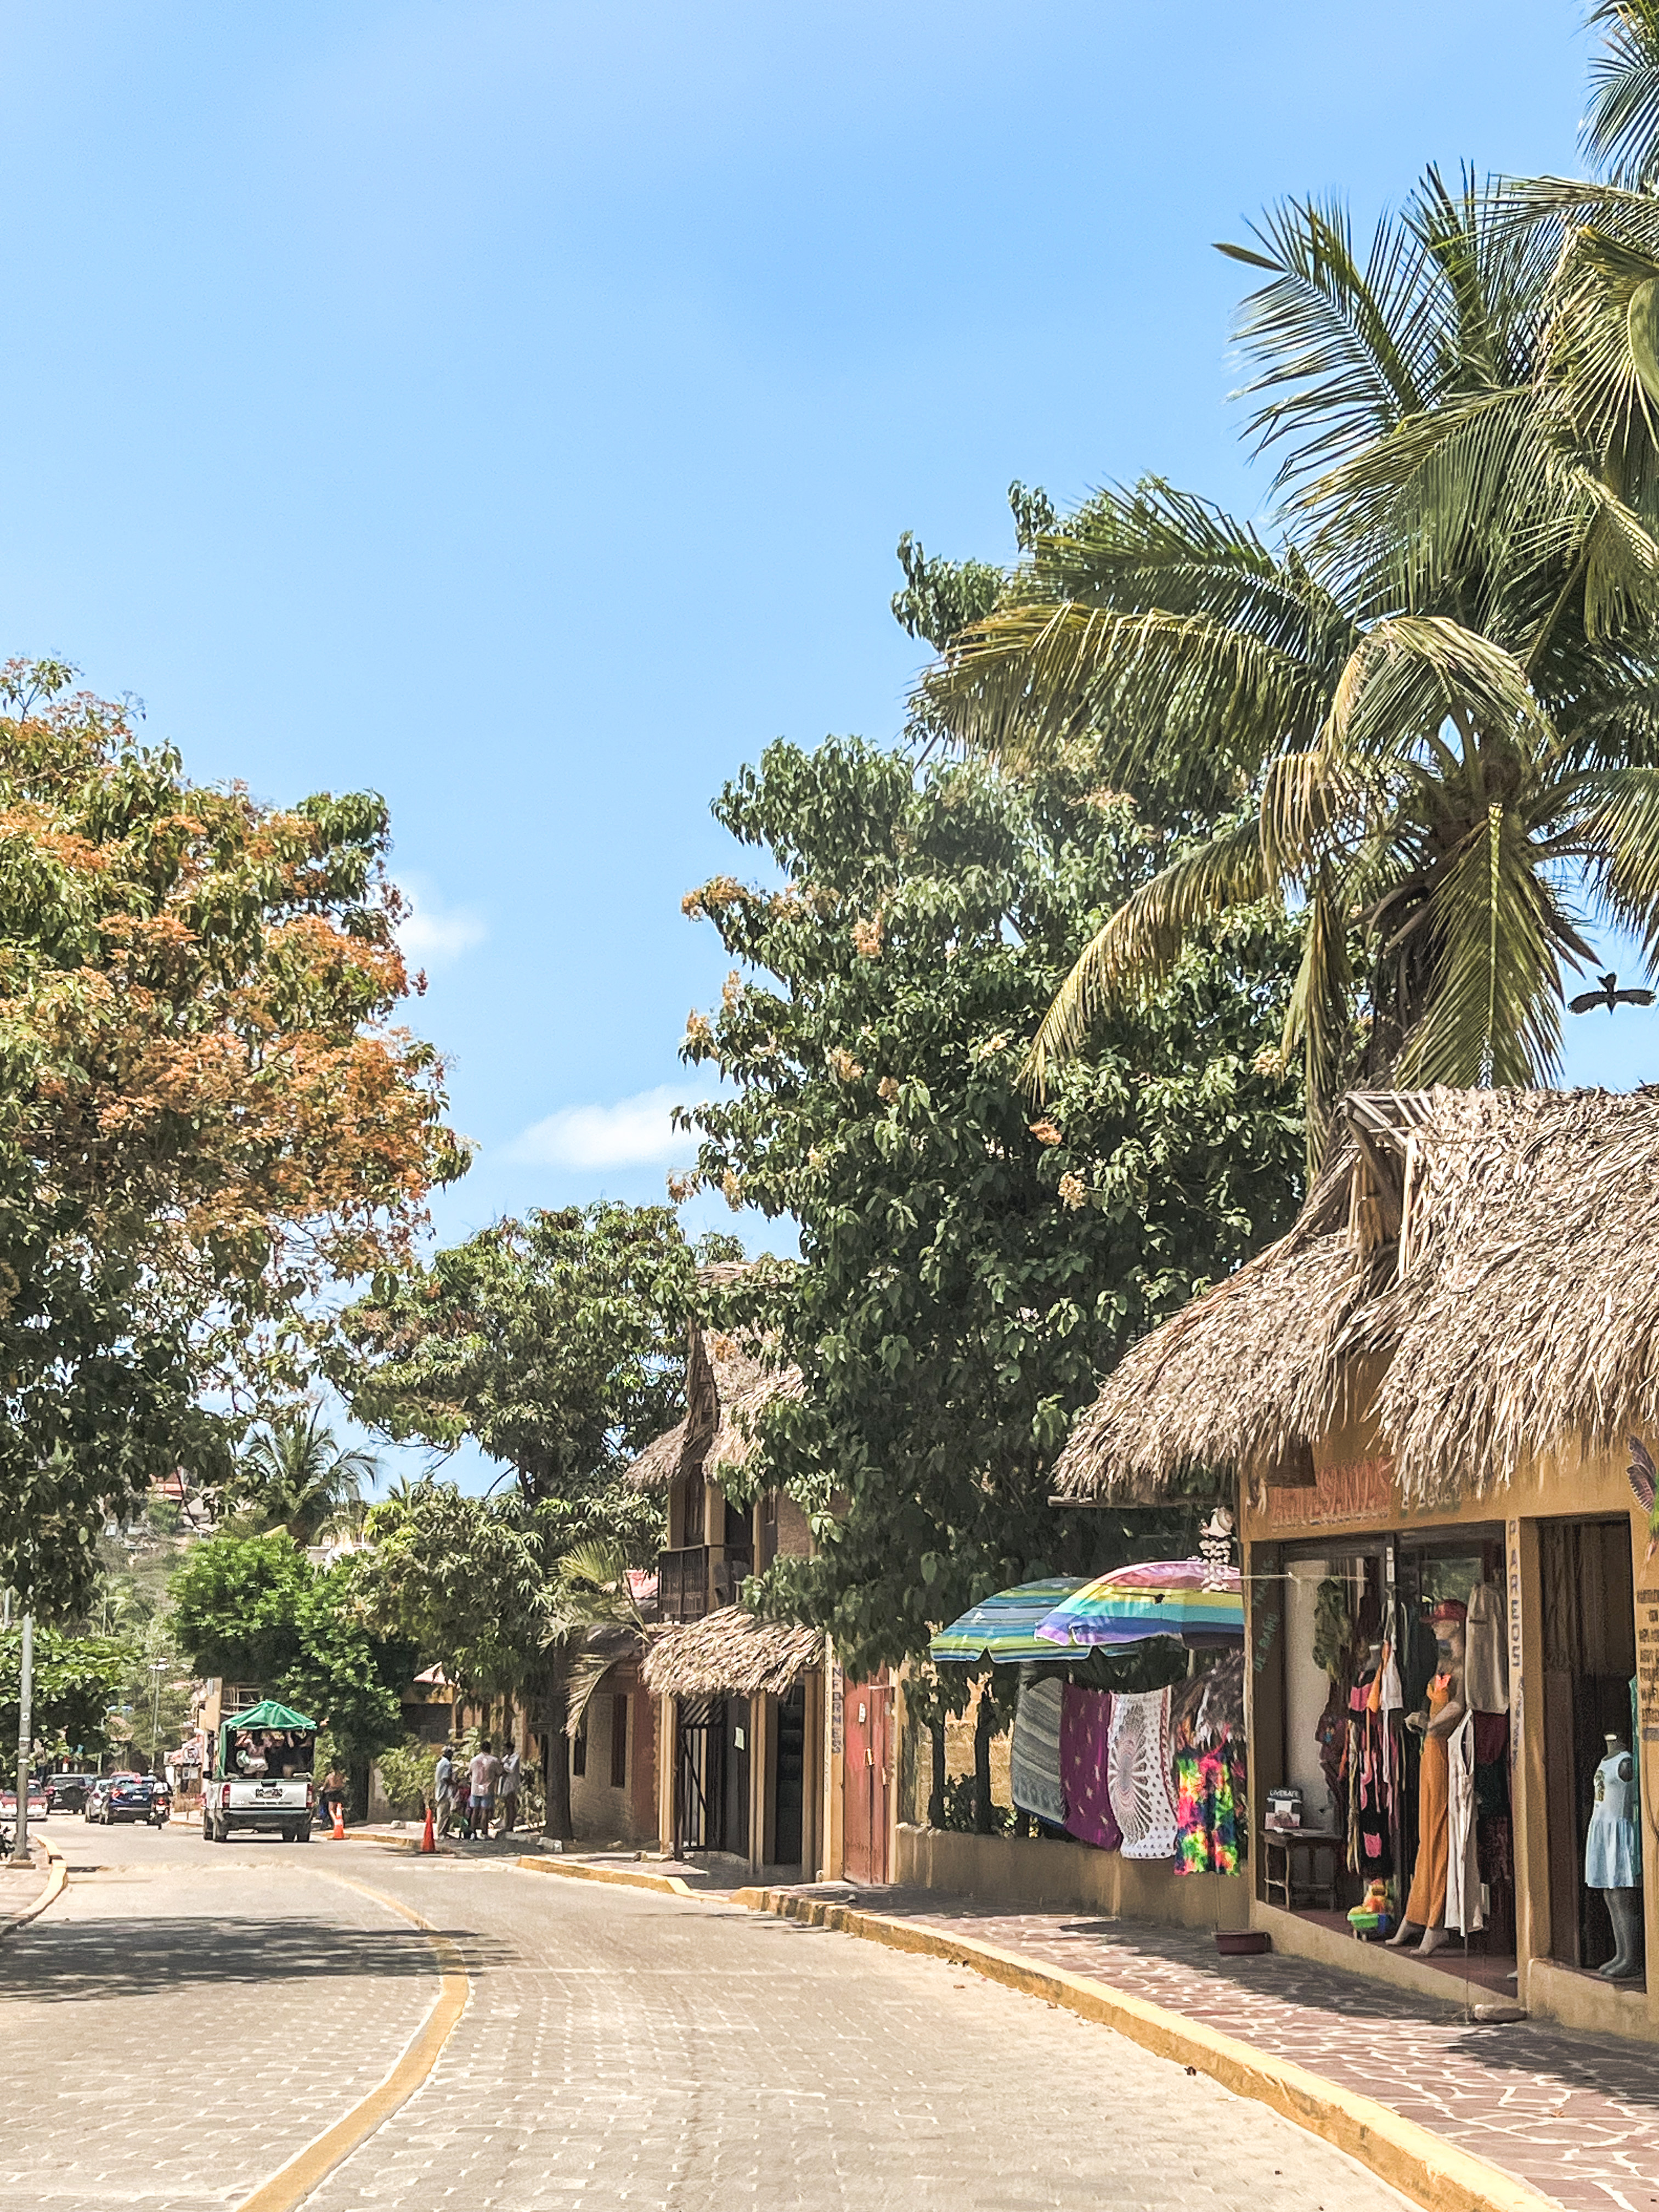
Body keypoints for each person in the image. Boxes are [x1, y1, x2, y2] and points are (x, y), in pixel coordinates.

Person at [469, 1738, 500, 1838]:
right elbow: (500, 1772)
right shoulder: (494, 1761)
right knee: (485, 1812)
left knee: (475, 1811)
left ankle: (473, 1833)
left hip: (475, 1789)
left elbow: (469, 1772)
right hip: (487, 1789)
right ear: (490, 1749)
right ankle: (484, 1833)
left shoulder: (474, 1760)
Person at [497, 1743, 522, 1835]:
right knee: (507, 1805)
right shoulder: (506, 1758)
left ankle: (511, 1825)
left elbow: (511, 1769)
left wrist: (504, 1765)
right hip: (505, 1784)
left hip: (512, 1784)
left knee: (511, 1804)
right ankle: (507, 1824)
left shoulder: (516, 1757)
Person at [433, 1743, 456, 1838]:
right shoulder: (447, 1764)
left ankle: (443, 1832)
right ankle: (441, 1833)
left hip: (440, 1790)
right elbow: (446, 1778)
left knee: (442, 1813)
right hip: (444, 1792)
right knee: (444, 1814)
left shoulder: (441, 1762)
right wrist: (454, 1783)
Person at [319, 1764, 348, 1830]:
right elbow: (344, 1784)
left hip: (331, 1794)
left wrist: (322, 1788)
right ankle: (341, 1821)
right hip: (339, 1793)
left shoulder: (330, 1776)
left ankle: (336, 1822)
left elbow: (325, 1786)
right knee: (339, 1808)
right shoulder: (341, 1776)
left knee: (331, 1810)